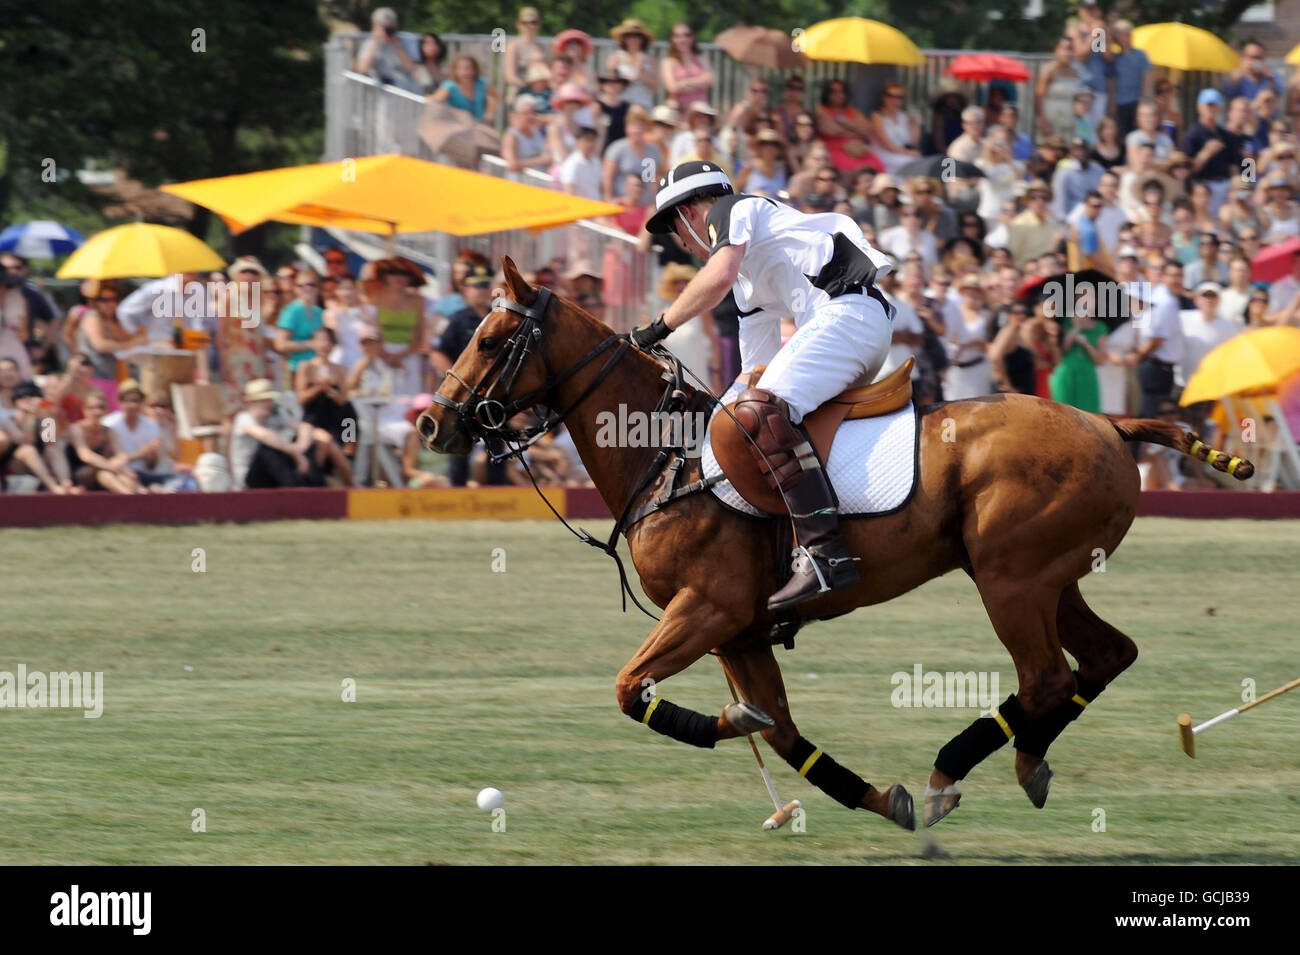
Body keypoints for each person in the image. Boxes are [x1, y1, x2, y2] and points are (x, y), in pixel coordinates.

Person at [636, 160, 896, 609]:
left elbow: (714, 278)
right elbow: (753, 370)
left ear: (691, 212)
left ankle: (824, 554)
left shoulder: (729, 210)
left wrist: (657, 328)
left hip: (848, 316)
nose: (680, 243)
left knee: (759, 412)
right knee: (744, 416)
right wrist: (709, 417)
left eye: (675, 228)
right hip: (853, 325)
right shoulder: (745, 281)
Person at [429, 264, 509, 487]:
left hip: (491, 393)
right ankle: (458, 496)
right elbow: (437, 353)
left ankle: (498, 496)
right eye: (476, 287)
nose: (480, 291)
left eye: (484, 286)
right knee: (460, 445)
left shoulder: (497, 318)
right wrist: (456, 381)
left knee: (497, 446)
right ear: (465, 289)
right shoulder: (457, 319)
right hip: (465, 395)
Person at [230, 379, 328, 490]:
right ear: (251, 402)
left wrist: (300, 448)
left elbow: (306, 427)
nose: (268, 403)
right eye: (263, 400)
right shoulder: (244, 418)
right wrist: (295, 452)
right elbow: (266, 436)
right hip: (249, 479)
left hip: (271, 476)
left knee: (299, 442)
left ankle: (317, 488)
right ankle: (295, 488)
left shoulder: (275, 416)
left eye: (269, 399)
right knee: (269, 449)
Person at [1129, 259, 1187, 416]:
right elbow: (1156, 339)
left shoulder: (1166, 298)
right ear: (1163, 277)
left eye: (1180, 276)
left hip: (1156, 368)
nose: (1177, 280)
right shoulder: (1165, 301)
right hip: (1155, 369)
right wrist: (1139, 357)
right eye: (1172, 275)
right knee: (1150, 420)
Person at [67, 387, 144, 493]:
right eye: (92, 408)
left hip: (107, 472)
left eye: (101, 407)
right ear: (84, 409)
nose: (97, 411)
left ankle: (138, 496)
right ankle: (129, 496)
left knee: (126, 479)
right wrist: (114, 467)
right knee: (105, 474)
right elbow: (85, 455)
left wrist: (119, 466)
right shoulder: (76, 429)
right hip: (81, 475)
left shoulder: (109, 431)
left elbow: (121, 454)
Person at [101, 377, 170, 487]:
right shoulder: (109, 423)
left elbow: (151, 464)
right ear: (120, 401)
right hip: (119, 473)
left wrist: (148, 454)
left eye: (137, 400)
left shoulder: (151, 425)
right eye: (129, 400)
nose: (133, 405)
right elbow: (110, 457)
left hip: (144, 475)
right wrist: (142, 453)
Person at [1182, 89, 1235, 215]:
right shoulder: (1192, 135)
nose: (1211, 109)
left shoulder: (1226, 135)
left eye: (1214, 105)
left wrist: (1243, 188)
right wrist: (1205, 154)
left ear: (1220, 108)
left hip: (1225, 186)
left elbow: (1237, 164)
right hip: (1203, 188)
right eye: (1208, 105)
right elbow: (1185, 170)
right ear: (1199, 107)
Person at [816, 79, 879, 175]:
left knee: (877, 165)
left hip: (858, 148)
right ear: (827, 94)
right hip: (834, 148)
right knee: (850, 170)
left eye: (842, 91)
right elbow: (833, 130)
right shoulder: (822, 110)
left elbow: (867, 129)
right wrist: (856, 130)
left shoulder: (853, 110)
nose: (839, 94)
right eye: (834, 92)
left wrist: (842, 121)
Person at [354, 7, 419, 94]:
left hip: (404, 90)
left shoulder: (407, 40)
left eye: (389, 27)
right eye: (383, 26)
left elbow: (412, 68)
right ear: (374, 26)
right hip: (378, 90)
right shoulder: (370, 43)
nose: (387, 30)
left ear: (396, 26)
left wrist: (396, 44)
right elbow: (362, 69)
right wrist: (375, 42)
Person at [274, 269, 323, 375]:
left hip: (318, 368)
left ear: (317, 288)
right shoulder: (291, 311)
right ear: (295, 289)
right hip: (297, 369)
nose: (307, 288)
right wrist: (310, 344)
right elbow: (280, 345)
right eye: (301, 285)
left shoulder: (318, 312)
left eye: (311, 284)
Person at [1110, 20, 1151, 138]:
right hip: (1120, 103)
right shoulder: (1114, 58)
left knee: (1137, 132)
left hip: (1137, 101)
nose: (1123, 37)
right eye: (1118, 34)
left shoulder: (1140, 55)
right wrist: (1112, 103)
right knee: (1121, 134)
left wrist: (1145, 99)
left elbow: (1146, 78)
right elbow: (1112, 82)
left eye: (1125, 34)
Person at [660, 22, 713, 113]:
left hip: (700, 110)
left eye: (686, 35)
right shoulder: (668, 62)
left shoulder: (701, 58)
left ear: (692, 38)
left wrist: (684, 83)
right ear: (673, 39)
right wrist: (699, 82)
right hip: (678, 108)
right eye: (678, 36)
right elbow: (672, 87)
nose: (682, 39)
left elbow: (709, 80)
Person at [870, 83, 920, 175]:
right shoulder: (877, 116)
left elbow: (913, 142)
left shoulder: (904, 116)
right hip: (884, 153)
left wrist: (915, 123)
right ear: (884, 98)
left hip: (901, 153)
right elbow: (885, 143)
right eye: (891, 96)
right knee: (910, 162)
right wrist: (907, 153)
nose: (894, 100)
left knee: (918, 161)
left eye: (899, 97)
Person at [431, 54, 498, 123]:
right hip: (457, 126)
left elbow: (495, 96)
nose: (466, 72)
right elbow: (436, 99)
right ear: (455, 71)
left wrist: (489, 115)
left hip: (479, 125)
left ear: (475, 69)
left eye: (470, 68)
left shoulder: (483, 83)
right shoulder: (450, 86)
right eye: (462, 69)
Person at [606, 19, 657, 110]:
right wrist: (631, 78)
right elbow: (609, 86)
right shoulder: (616, 57)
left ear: (643, 39)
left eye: (637, 36)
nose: (633, 39)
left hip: (644, 105)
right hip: (621, 104)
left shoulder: (651, 59)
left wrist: (642, 72)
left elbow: (655, 87)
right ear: (623, 38)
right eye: (629, 35)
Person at [503, 7, 546, 101]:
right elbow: (510, 77)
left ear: (538, 25)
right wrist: (530, 86)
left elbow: (550, 73)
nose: (529, 26)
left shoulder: (543, 48)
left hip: (542, 91)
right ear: (518, 24)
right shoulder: (513, 46)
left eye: (533, 22)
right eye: (525, 23)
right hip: (520, 90)